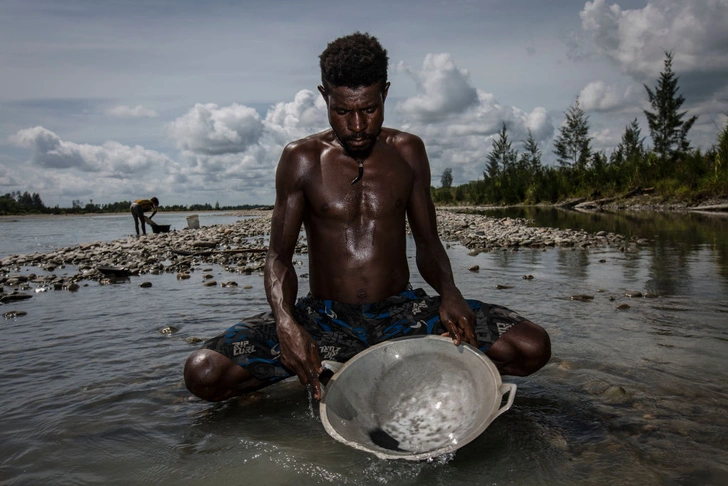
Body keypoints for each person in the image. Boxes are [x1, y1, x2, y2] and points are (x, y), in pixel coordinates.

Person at [184, 32, 550, 402]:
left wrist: (450, 294)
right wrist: (285, 323)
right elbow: (278, 258)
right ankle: (341, 366)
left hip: (401, 315)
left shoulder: (408, 152)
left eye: (369, 109)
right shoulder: (301, 158)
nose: (357, 125)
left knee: (530, 346)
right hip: (325, 318)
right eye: (342, 111)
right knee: (204, 373)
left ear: (385, 94)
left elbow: (428, 243)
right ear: (325, 96)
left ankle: (401, 363)